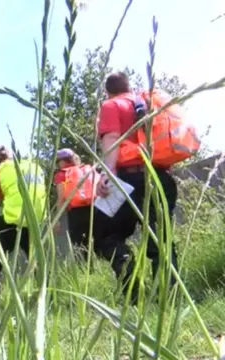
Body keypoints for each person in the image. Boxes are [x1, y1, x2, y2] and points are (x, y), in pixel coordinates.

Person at [95, 72, 200, 303]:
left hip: (130, 179)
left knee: (104, 236)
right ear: (128, 85)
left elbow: (111, 138)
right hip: (161, 178)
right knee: (161, 237)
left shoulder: (112, 105)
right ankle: (169, 298)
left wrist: (107, 174)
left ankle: (133, 291)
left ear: (108, 90)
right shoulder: (148, 103)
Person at [0, 146, 46, 307]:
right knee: (37, 263)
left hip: (10, 221)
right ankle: (48, 299)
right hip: (34, 220)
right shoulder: (33, 166)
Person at [53, 148, 102, 260]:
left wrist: (57, 220)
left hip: (76, 213)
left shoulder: (62, 174)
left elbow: (61, 199)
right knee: (98, 242)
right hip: (96, 208)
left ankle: (87, 273)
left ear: (62, 162)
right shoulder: (89, 169)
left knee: (80, 247)